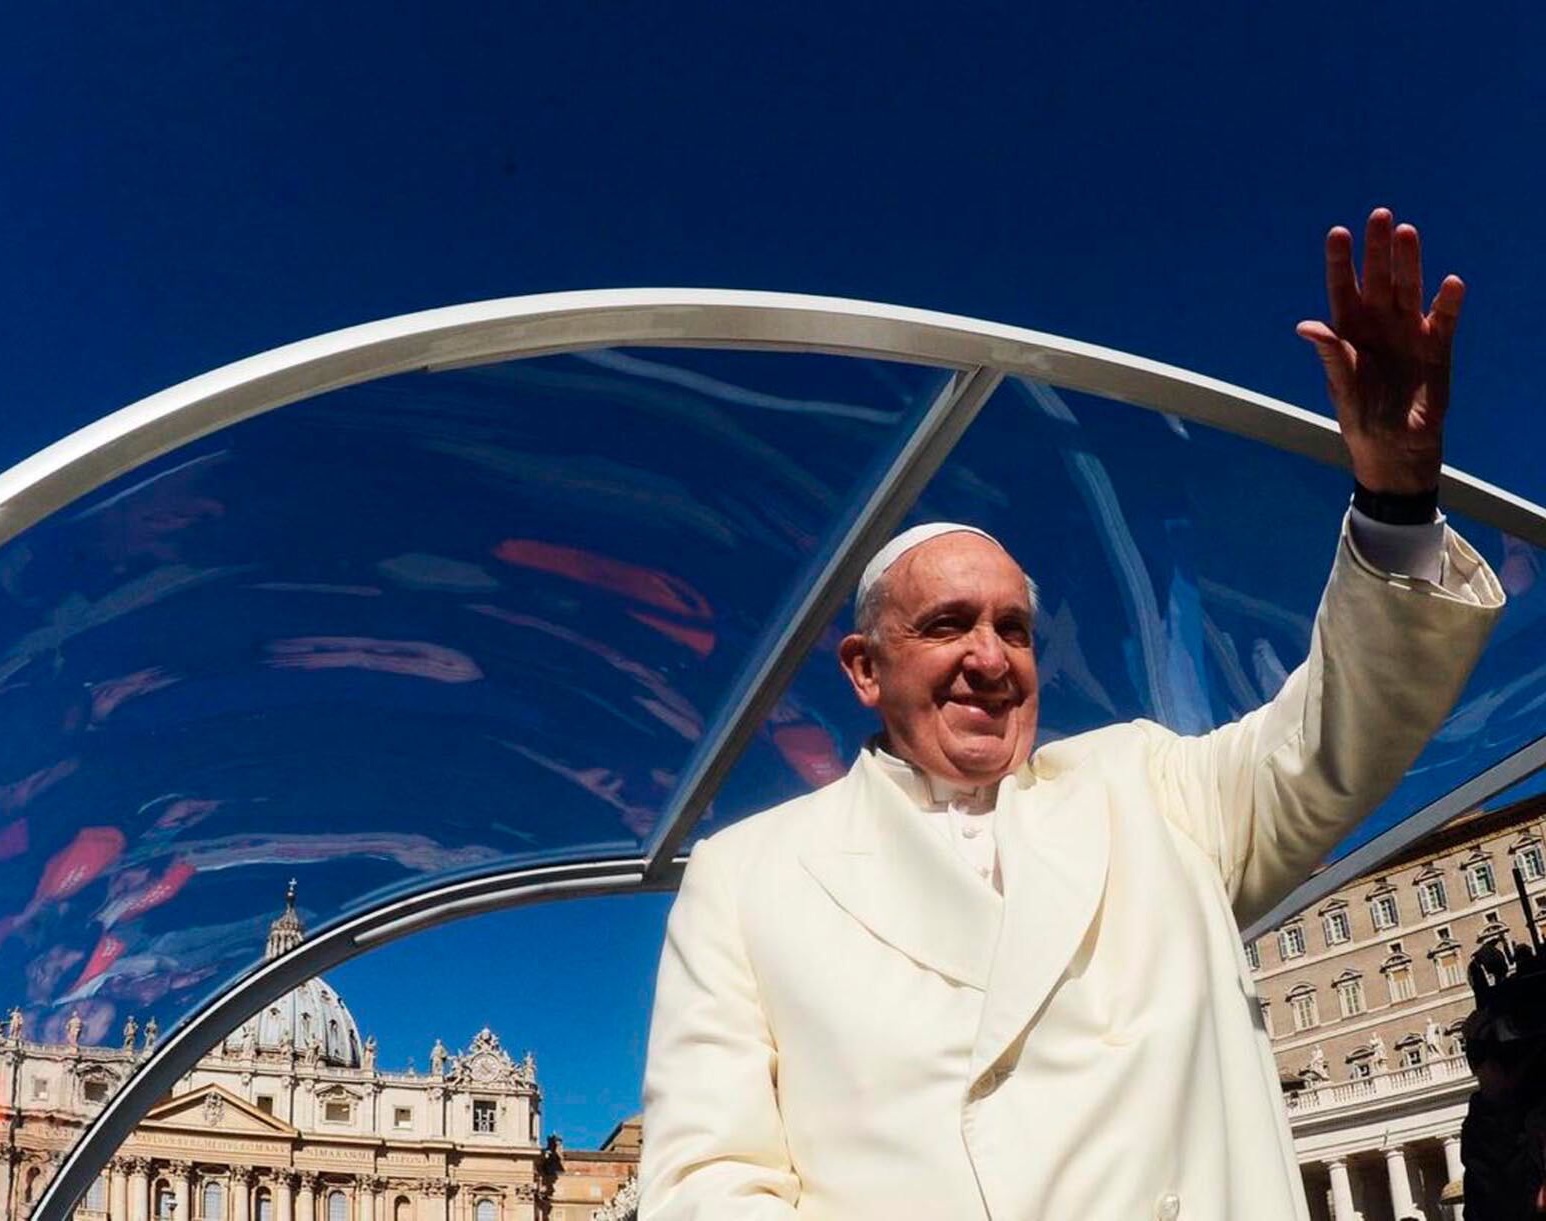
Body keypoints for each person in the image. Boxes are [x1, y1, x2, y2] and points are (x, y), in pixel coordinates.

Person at [636, 209, 1506, 1220]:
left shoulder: (1153, 786)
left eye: (1013, 628)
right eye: (948, 625)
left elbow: (1338, 732)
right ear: (865, 670)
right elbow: (708, 1184)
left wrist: (1394, 498)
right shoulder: (747, 877)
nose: (989, 658)